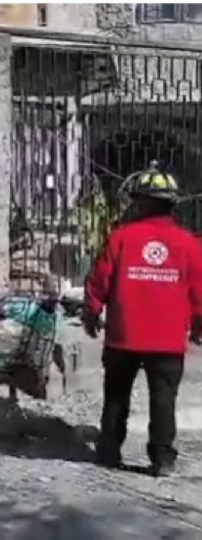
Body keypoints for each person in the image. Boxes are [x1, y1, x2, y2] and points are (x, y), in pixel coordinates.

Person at [84, 161, 202, 477]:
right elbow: (199, 290)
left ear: (141, 202)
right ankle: (162, 458)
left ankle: (109, 450)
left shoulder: (121, 237)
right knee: (164, 399)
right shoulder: (189, 243)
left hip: (123, 335)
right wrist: (199, 326)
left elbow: (99, 279)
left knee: (116, 395)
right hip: (167, 340)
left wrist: (92, 312)